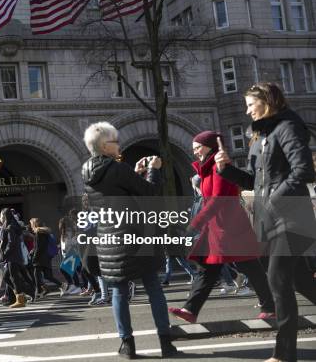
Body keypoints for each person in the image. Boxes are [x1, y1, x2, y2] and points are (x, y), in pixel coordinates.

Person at [215, 83, 316, 362]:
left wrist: (273, 199)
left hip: (293, 218)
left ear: (267, 102)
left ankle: (284, 355)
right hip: (270, 220)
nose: (247, 111)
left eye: (250, 104)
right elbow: (253, 180)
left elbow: (303, 170)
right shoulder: (261, 136)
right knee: (301, 283)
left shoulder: (288, 127)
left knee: (277, 281)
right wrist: (227, 170)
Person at [81, 121, 177, 359]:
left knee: (119, 291)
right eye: (115, 141)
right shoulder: (118, 169)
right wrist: (154, 170)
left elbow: (117, 192)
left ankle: (127, 345)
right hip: (136, 234)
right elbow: (150, 192)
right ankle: (165, 342)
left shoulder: (88, 173)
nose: (119, 145)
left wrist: (134, 173)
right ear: (105, 146)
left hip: (109, 238)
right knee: (153, 286)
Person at [168, 131, 275, 324]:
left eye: (198, 148)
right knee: (208, 268)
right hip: (218, 228)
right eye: (193, 149)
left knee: (248, 265)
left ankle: (270, 307)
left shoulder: (220, 168)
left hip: (230, 227)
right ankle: (190, 310)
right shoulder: (207, 170)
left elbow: (217, 200)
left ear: (209, 146)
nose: (195, 153)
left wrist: (195, 224)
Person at [0, 208, 33, 308]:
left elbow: (11, 242)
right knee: (7, 277)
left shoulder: (10, 227)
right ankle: (23, 294)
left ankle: (21, 299)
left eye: (1, 215)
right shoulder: (12, 226)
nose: (0, 217)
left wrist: (4, 253)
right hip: (14, 256)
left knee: (14, 278)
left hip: (12, 256)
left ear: (4, 216)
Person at [30, 218, 64, 298]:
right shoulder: (45, 233)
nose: (31, 227)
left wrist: (34, 257)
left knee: (36, 275)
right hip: (46, 257)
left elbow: (39, 247)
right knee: (47, 276)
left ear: (34, 224)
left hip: (40, 258)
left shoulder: (39, 233)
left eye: (31, 224)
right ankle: (61, 285)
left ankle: (39, 292)